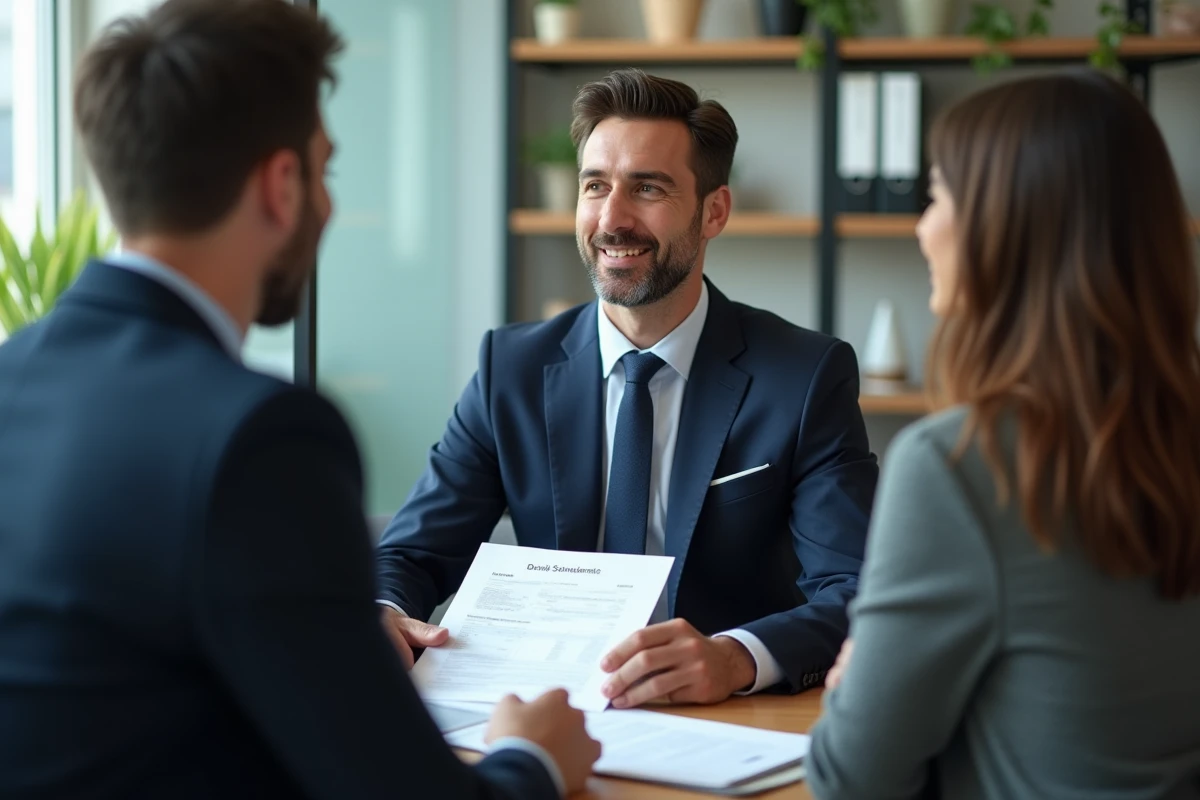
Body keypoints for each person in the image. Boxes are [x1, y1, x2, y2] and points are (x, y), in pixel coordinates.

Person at [0, 1, 599, 797]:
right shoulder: (259, 438)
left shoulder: (15, 376)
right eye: (326, 170)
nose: (327, 204)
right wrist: (535, 758)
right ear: (282, 186)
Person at [376, 68, 878, 708]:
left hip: (727, 718)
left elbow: (856, 590)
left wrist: (734, 659)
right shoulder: (512, 367)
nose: (613, 220)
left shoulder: (805, 377)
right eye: (595, 186)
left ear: (714, 211)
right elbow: (413, 552)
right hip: (547, 708)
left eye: (648, 188)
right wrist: (384, 610)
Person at [806, 69, 1200, 799]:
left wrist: (859, 673)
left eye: (938, 195)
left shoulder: (958, 465)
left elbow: (849, 781)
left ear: (1009, 223)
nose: (921, 225)